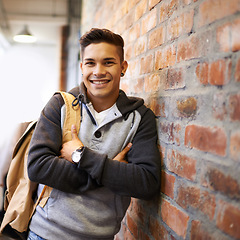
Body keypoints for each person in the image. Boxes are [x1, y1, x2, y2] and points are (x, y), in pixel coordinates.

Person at [27, 28, 161, 240]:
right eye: (90, 63)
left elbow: (146, 183)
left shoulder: (140, 118)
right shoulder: (60, 105)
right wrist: (109, 171)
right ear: (82, 67)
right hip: (45, 234)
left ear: (123, 67)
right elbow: (38, 167)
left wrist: (81, 155)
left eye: (108, 62)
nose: (98, 71)